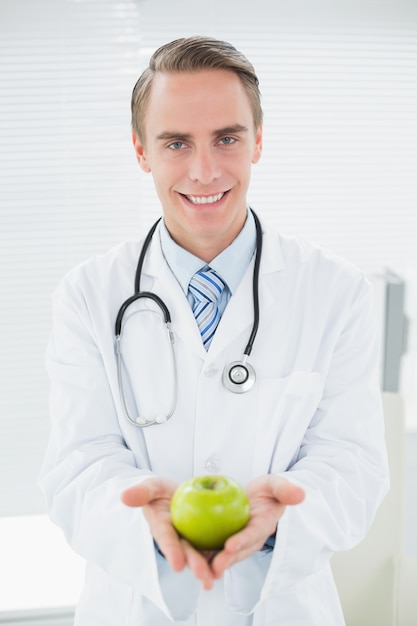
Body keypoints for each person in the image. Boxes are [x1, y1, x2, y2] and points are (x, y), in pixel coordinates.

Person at [39, 36, 389, 625]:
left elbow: (351, 463)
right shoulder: (88, 294)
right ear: (141, 150)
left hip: (282, 604)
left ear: (258, 141)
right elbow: (79, 463)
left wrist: (283, 519)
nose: (205, 171)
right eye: (177, 142)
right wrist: (140, 520)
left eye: (227, 138)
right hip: (137, 606)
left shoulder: (336, 291)